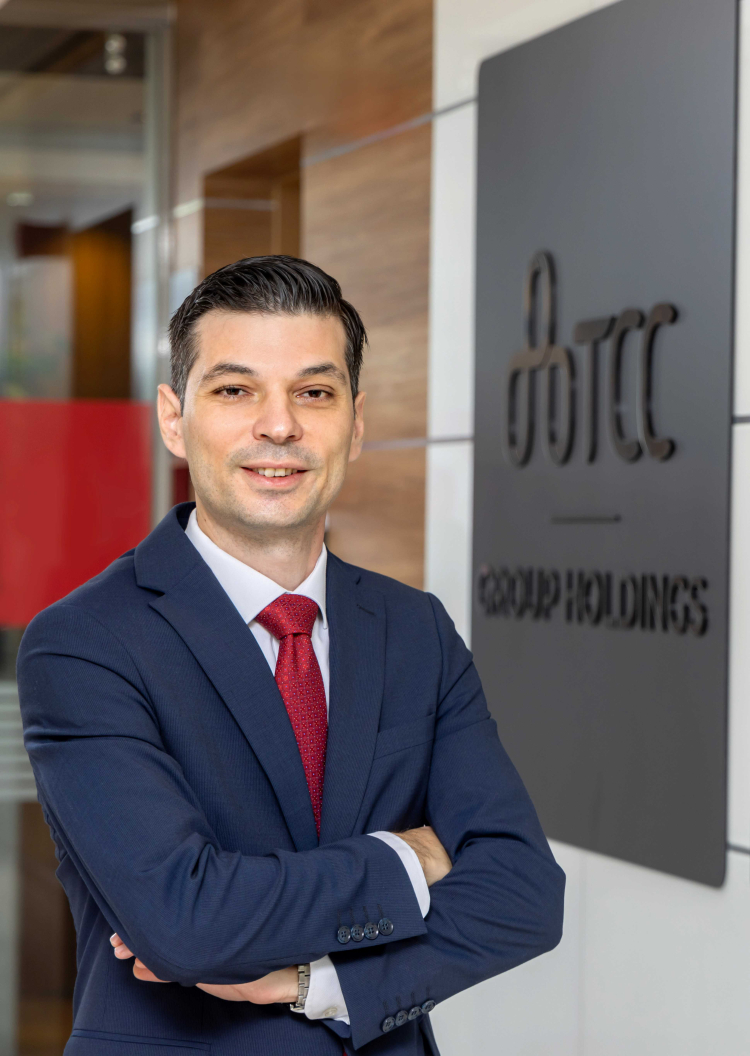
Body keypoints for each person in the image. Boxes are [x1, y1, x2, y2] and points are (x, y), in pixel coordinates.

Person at [18, 256, 565, 1056]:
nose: (279, 426)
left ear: (356, 421)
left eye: (314, 393)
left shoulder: (415, 629)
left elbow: (523, 893)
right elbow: (186, 922)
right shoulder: (86, 642)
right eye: (234, 391)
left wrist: (316, 982)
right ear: (174, 419)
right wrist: (407, 857)